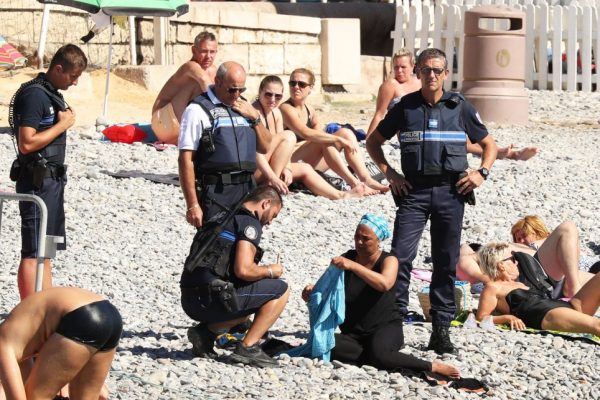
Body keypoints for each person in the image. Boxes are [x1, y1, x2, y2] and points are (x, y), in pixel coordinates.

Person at [366, 48, 498, 355]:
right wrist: (391, 175)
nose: (432, 75)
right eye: (426, 70)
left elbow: (489, 145)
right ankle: (393, 323)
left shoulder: (459, 106)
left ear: (446, 74)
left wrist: (482, 173)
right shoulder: (405, 107)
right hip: (414, 192)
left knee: (445, 261)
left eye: (437, 70)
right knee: (399, 257)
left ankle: (440, 330)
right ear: (418, 73)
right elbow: (374, 142)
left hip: (452, 193)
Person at [301, 214, 460, 378]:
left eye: (365, 239)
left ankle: (431, 366)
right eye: (357, 236)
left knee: (380, 354)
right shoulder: (348, 258)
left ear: (378, 241)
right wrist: (313, 292)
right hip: (353, 334)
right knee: (321, 341)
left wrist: (354, 267)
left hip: (385, 328)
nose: (359, 242)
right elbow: (330, 290)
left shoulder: (388, 260)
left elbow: (385, 283)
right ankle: (379, 357)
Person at [180, 186, 289, 368]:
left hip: (189, 299)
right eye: (274, 215)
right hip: (212, 299)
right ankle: (248, 347)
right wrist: (271, 270)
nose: (270, 222)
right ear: (266, 203)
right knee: (280, 290)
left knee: (249, 301)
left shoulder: (221, 216)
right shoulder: (249, 224)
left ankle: (204, 334)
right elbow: (244, 270)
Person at [10, 44, 87, 300]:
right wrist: (63, 124)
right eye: (73, 76)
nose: (75, 83)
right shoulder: (35, 96)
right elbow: (27, 143)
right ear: (58, 69)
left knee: (47, 249)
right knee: (33, 251)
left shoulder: (51, 93)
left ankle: (47, 309)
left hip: (52, 182)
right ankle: (30, 312)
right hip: (36, 182)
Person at [366, 49, 538, 161]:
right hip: (408, 129)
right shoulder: (391, 86)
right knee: (449, 139)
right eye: (396, 67)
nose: (399, 71)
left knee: (455, 132)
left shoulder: (424, 81)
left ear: (413, 67)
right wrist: (369, 138)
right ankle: (504, 153)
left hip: (432, 120)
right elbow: (380, 114)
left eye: (403, 67)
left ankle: (498, 152)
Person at [178, 61, 272, 227]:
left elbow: (265, 147)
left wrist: (255, 117)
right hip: (216, 191)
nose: (236, 95)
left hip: (247, 189)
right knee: (214, 244)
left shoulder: (245, 108)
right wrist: (192, 205)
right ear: (218, 81)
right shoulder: (196, 110)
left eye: (241, 90)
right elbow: (185, 160)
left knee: (247, 242)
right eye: (232, 89)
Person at [252, 75, 368, 200]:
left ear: (311, 88)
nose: (273, 99)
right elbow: (255, 153)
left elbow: (314, 134)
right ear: (260, 92)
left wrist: (287, 168)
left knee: (306, 168)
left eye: (278, 96)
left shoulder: (278, 112)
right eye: (268, 94)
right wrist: (273, 178)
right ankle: (269, 189)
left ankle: (344, 193)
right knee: (290, 136)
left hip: (276, 164)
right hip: (259, 170)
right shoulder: (256, 113)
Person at [279, 68, 388, 195]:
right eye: (292, 83)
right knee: (326, 141)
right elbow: (305, 133)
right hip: (290, 164)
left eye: (301, 84)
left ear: (310, 88)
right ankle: (355, 183)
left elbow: (318, 134)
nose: (296, 87)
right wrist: (337, 139)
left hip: (309, 162)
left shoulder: (310, 110)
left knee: (346, 133)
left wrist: (340, 138)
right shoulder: (286, 108)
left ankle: (366, 179)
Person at [0, 287, 121, 400]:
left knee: (37, 395)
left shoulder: (3, 346)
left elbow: (17, 396)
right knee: (86, 396)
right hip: (110, 315)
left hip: (80, 318)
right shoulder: (15, 339)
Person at [476, 242, 600, 335]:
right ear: (501, 265)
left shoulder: (519, 283)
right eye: (513, 260)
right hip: (545, 314)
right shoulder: (492, 287)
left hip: (562, 305)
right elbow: (481, 317)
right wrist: (507, 318)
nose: (517, 263)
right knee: (596, 325)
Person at [457, 221, 595, 297]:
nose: (521, 240)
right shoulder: (468, 256)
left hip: (549, 274)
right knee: (567, 227)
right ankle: (573, 288)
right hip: (534, 278)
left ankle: (572, 286)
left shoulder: (509, 247)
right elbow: (486, 280)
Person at [151, 31, 218, 144]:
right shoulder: (190, 67)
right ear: (194, 50)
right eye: (204, 51)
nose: (208, 56)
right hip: (162, 123)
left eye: (212, 52)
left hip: (177, 127)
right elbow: (205, 83)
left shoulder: (213, 69)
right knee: (197, 84)